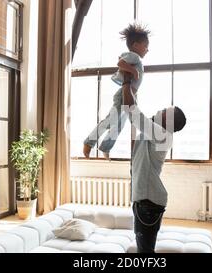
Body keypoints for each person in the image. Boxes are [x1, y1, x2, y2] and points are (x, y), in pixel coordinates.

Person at [121, 73, 187, 253]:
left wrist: (127, 81)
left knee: (145, 251)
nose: (161, 110)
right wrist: (132, 89)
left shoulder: (162, 134)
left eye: (165, 110)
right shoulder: (156, 133)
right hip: (144, 200)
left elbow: (134, 114)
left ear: (169, 120)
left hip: (148, 203)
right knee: (145, 248)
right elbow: (136, 115)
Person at [83, 23, 150, 160]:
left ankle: (105, 147)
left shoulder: (135, 58)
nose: (147, 50)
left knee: (119, 125)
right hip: (123, 96)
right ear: (136, 45)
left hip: (130, 96)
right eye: (145, 46)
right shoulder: (134, 56)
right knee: (111, 120)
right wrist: (133, 71)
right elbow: (120, 63)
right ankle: (89, 143)